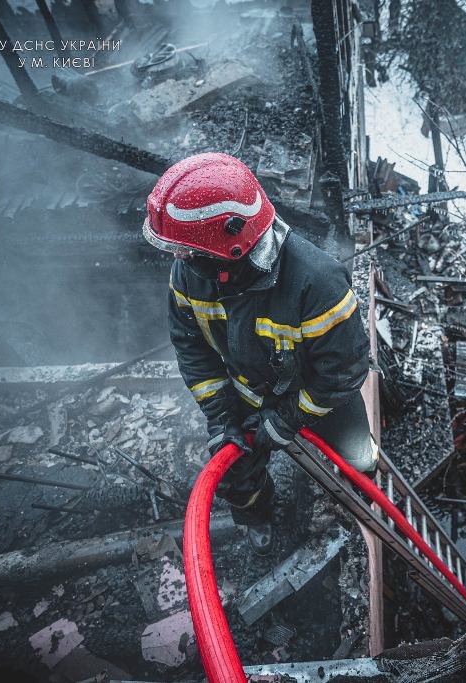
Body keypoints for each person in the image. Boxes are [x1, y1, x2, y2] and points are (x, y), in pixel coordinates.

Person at [142, 153, 376, 554]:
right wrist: (223, 417)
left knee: (358, 458)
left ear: (228, 247)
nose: (178, 259)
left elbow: (343, 372)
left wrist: (287, 420)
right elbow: (191, 348)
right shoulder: (189, 276)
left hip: (321, 400)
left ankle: (361, 510)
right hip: (246, 398)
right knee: (234, 476)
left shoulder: (317, 282)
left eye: (185, 251)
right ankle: (256, 517)